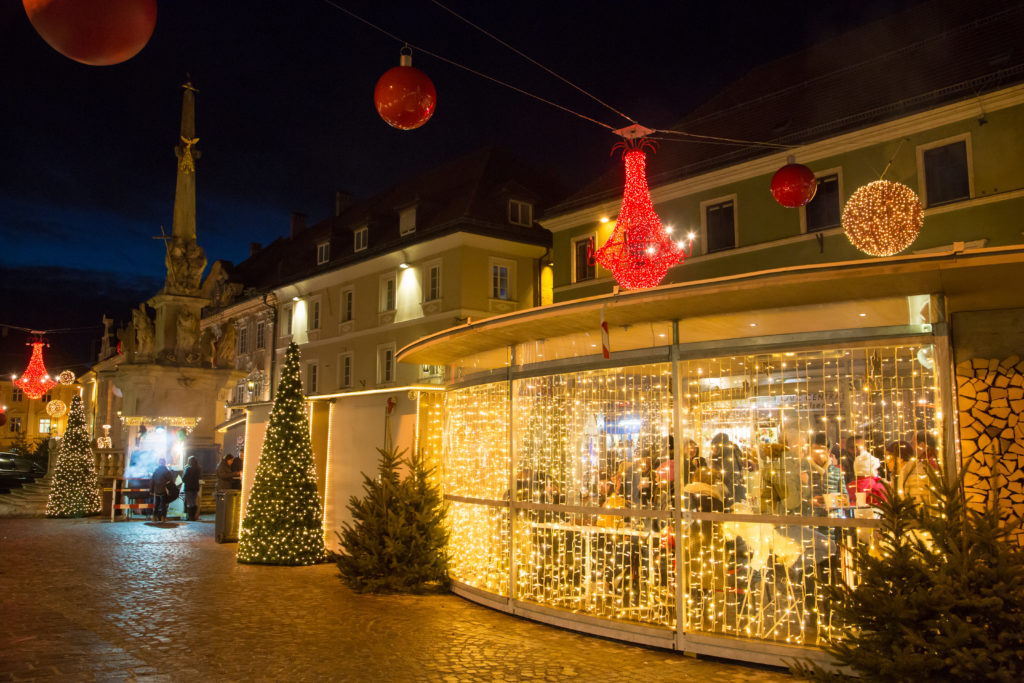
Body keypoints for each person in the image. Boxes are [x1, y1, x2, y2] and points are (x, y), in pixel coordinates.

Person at [150, 457, 175, 522]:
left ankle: (154, 517)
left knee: (157, 504)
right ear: (165, 463)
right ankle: (163, 518)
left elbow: (152, 481)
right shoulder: (167, 471)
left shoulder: (156, 471)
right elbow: (170, 481)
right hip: (164, 490)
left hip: (156, 490)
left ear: (159, 463)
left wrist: (151, 490)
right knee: (164, 504)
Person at [182, 455, 202, 521]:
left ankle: (190, 517)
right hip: (195, 487)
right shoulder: (198, 468)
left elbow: (184, 479)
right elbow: (199, 477)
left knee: (190, 503)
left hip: (188, 488)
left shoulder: (188, 469)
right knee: (193, 502)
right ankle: (193, 516)